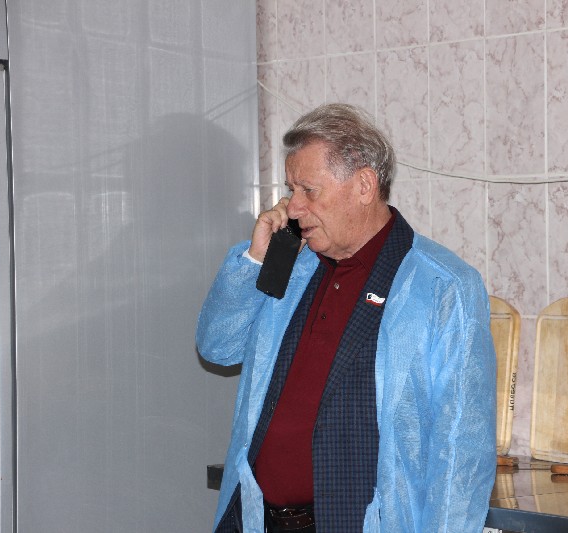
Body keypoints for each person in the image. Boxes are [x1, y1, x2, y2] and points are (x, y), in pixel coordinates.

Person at [196, 103, 496, 533]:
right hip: (258, 520)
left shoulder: (442, 286)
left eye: (309, 190)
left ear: (364, 186)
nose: (293, 208)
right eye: (291, 190)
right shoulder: (289, 263)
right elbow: (217, 347)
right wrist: (255, 259)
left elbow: (461, 455)